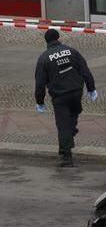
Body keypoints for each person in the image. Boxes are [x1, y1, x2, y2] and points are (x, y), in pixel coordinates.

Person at [34, 29, 97, 167]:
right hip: (76, 91)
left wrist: (40, 101)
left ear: (46, 41)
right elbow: (85, 70)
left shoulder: (44, 58)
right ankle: (71, 132)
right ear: (58, 38)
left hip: (60, 96)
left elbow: (40, 84)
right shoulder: (71, 51)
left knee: (63, 126)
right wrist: (91, 88)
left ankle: (66, 157)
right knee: (74, 113)